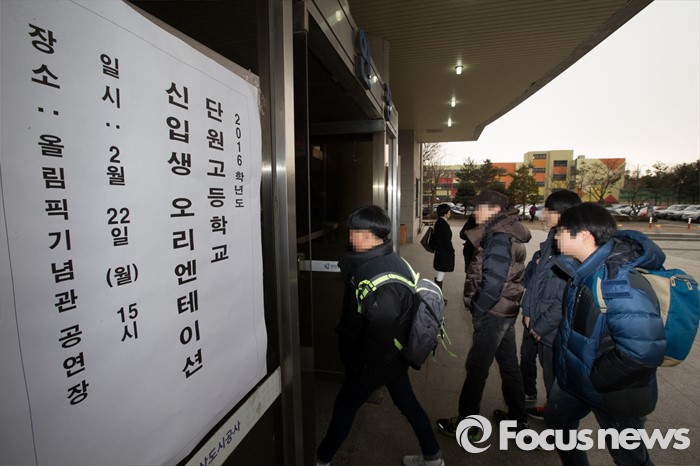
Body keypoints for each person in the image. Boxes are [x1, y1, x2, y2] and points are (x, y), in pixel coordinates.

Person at [316, 205, 444, 466]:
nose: (349, 237)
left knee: (344, 408)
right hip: (394, 357)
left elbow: (381, 328)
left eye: (352, 231)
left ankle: (322, 460)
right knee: (408, 403)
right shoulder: (393, 259)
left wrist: (360, 364)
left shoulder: (375, 274)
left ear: (365, 234)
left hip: (376, 362)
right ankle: (433, 457)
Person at [545, 202, 666, 466]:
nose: (555, 236)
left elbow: (642, 353)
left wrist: (597, 377)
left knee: (630, 458)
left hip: (613, 389)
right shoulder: (584, 270)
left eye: (561, 231)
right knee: (558, 424)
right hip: (576, 379)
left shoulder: (619, 282)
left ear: (584, 235)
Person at [435, 190, 531, 437]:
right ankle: (518, 418)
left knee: (477, 368)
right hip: (504, 310)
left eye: (479, 207)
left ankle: (468, 425)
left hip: (493, 313)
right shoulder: (505, 232)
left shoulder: (499, 237)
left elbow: (493, 284)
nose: (475, 212)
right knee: (509, 366)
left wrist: (478, 309)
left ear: (494, 210)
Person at [518, 190, 581, 419]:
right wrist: (527, 310)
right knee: (539, 366)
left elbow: (564, 299)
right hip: (537, 319)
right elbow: (534, 282)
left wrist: (540, 326)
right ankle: (546, 406)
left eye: (549, 210)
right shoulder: (551, 242)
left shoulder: (569, 249)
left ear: (563, 213)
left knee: (554, 376)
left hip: (550, 327)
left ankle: (557, 419)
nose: (544, 215)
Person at [433, 204, 455, 303]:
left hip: (440, 252)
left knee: (439, 273)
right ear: (445, 213)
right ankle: (438, 297)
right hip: (443, 252)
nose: (450, 213)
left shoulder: (440, 222)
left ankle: (437, 295)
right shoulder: (443, 224)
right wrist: (451, 250)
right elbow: (446, 241)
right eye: (449, 211)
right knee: (440, 274)